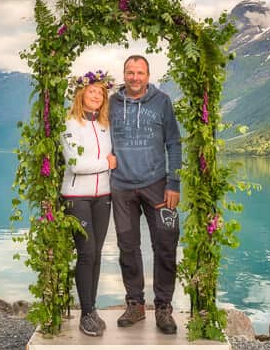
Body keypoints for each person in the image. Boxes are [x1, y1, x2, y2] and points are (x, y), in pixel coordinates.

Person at [108, 55, 182, 335]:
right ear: (124, 74)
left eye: (140, 72)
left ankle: (163, 308)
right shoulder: (113, 102)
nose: (135, 77)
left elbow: (174, 142)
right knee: (127, 247)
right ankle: (135, 305)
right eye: (130, 72)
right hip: (121, 186)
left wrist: (173, 183)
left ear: (148, 76)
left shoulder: (162, 101)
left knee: (166, 244)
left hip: (157, 185)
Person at [60, 70, 117, 337]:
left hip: (103, 196)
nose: (96, 95)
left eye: (101, 93)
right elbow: (75, 165)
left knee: (96, 255)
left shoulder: (105, 125)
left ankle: (91, 308)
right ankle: (85, 315)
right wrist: (106, 163)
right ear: (82, 94)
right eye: (92, 91)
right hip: (77, 196)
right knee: (86, 253)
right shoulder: (70, 124)